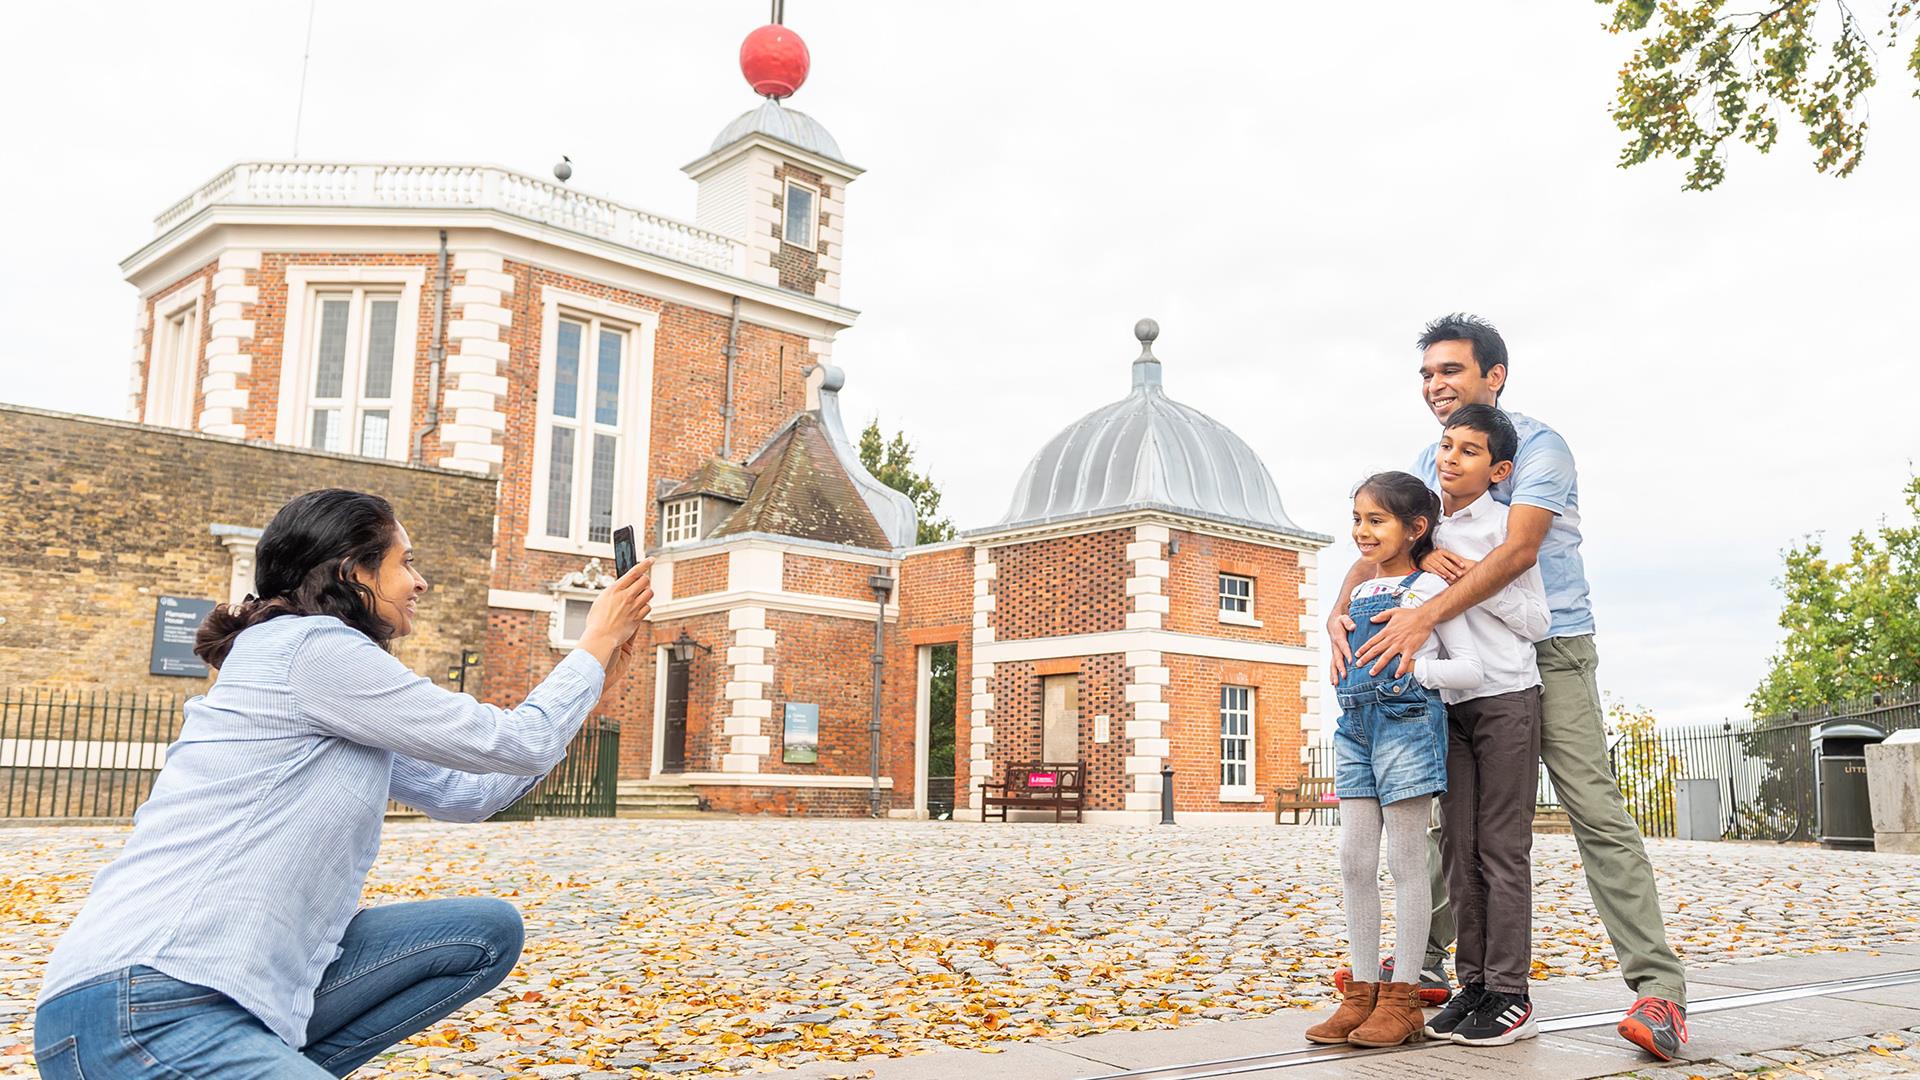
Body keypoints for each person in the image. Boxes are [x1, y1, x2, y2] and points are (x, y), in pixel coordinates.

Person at [34, 489, 655, 1078]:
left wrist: (590, 685)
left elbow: (474, 793)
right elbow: (513, 741)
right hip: (149, 1003)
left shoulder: (322, 682)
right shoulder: (310, 648)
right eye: (405, 563)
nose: (420, 582)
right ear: (355, 572)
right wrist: (593, 642)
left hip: (207, 1004)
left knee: (485, 932)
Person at [1328, 314, 1690, 1060]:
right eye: (1428, 375)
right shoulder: (1430, 463)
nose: (1436, 387)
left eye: (1451, 372)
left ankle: (1659, 990)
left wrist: (1423, 613)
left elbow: (1520, 549)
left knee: (1591, 808)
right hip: (1458, 661)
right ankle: (1429, 966)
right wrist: (1340, 611)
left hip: (1546, 653)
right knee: (1447, 815)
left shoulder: (1537, 447)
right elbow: (1387, 546)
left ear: (1494, 376)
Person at [1305, 472, 1484, 1048]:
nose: (1362, 531)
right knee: (1354, 859)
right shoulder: (1354, 593)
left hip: (1406, 727)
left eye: (1376, 520)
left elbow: (1469, 667)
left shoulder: (1430, 591)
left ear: (1416, 529)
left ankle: (1403, 997)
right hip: (1355, 729)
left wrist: (1416, 671)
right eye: (1357, 519)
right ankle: (1360, 994)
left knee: (1407, 861)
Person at [1415, 404, 1551, 1047]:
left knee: (1500, 846)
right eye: (1446, 445)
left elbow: (1536, 624)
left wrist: (1470, 581)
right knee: (1456, 847)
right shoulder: (1428, 533)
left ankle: (1509, 991)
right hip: (1449, 704)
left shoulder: (1506, 529)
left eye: (1468, 450)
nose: (1450, 457)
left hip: (1505, 700)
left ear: (1497, 470)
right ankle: (1471, 983)